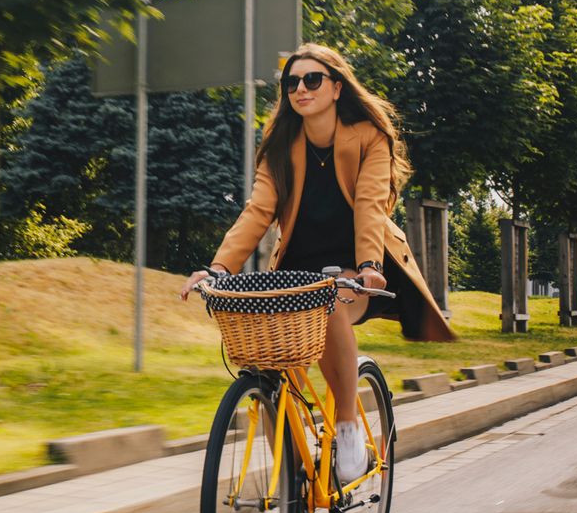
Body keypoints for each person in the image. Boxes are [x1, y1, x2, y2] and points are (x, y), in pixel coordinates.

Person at [181, 43, 453, 482]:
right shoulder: (280, 147)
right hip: (295, 270)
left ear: (337, 87)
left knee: (330, 305)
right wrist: (219, 269)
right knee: (271, 372)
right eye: (292, 82)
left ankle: (346, 424)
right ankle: (291, 486)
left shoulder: (369, 137)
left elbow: (369, 205)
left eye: (312, 79)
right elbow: (257, 212)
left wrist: (367, 263)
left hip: (352, 266)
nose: (301, 89)